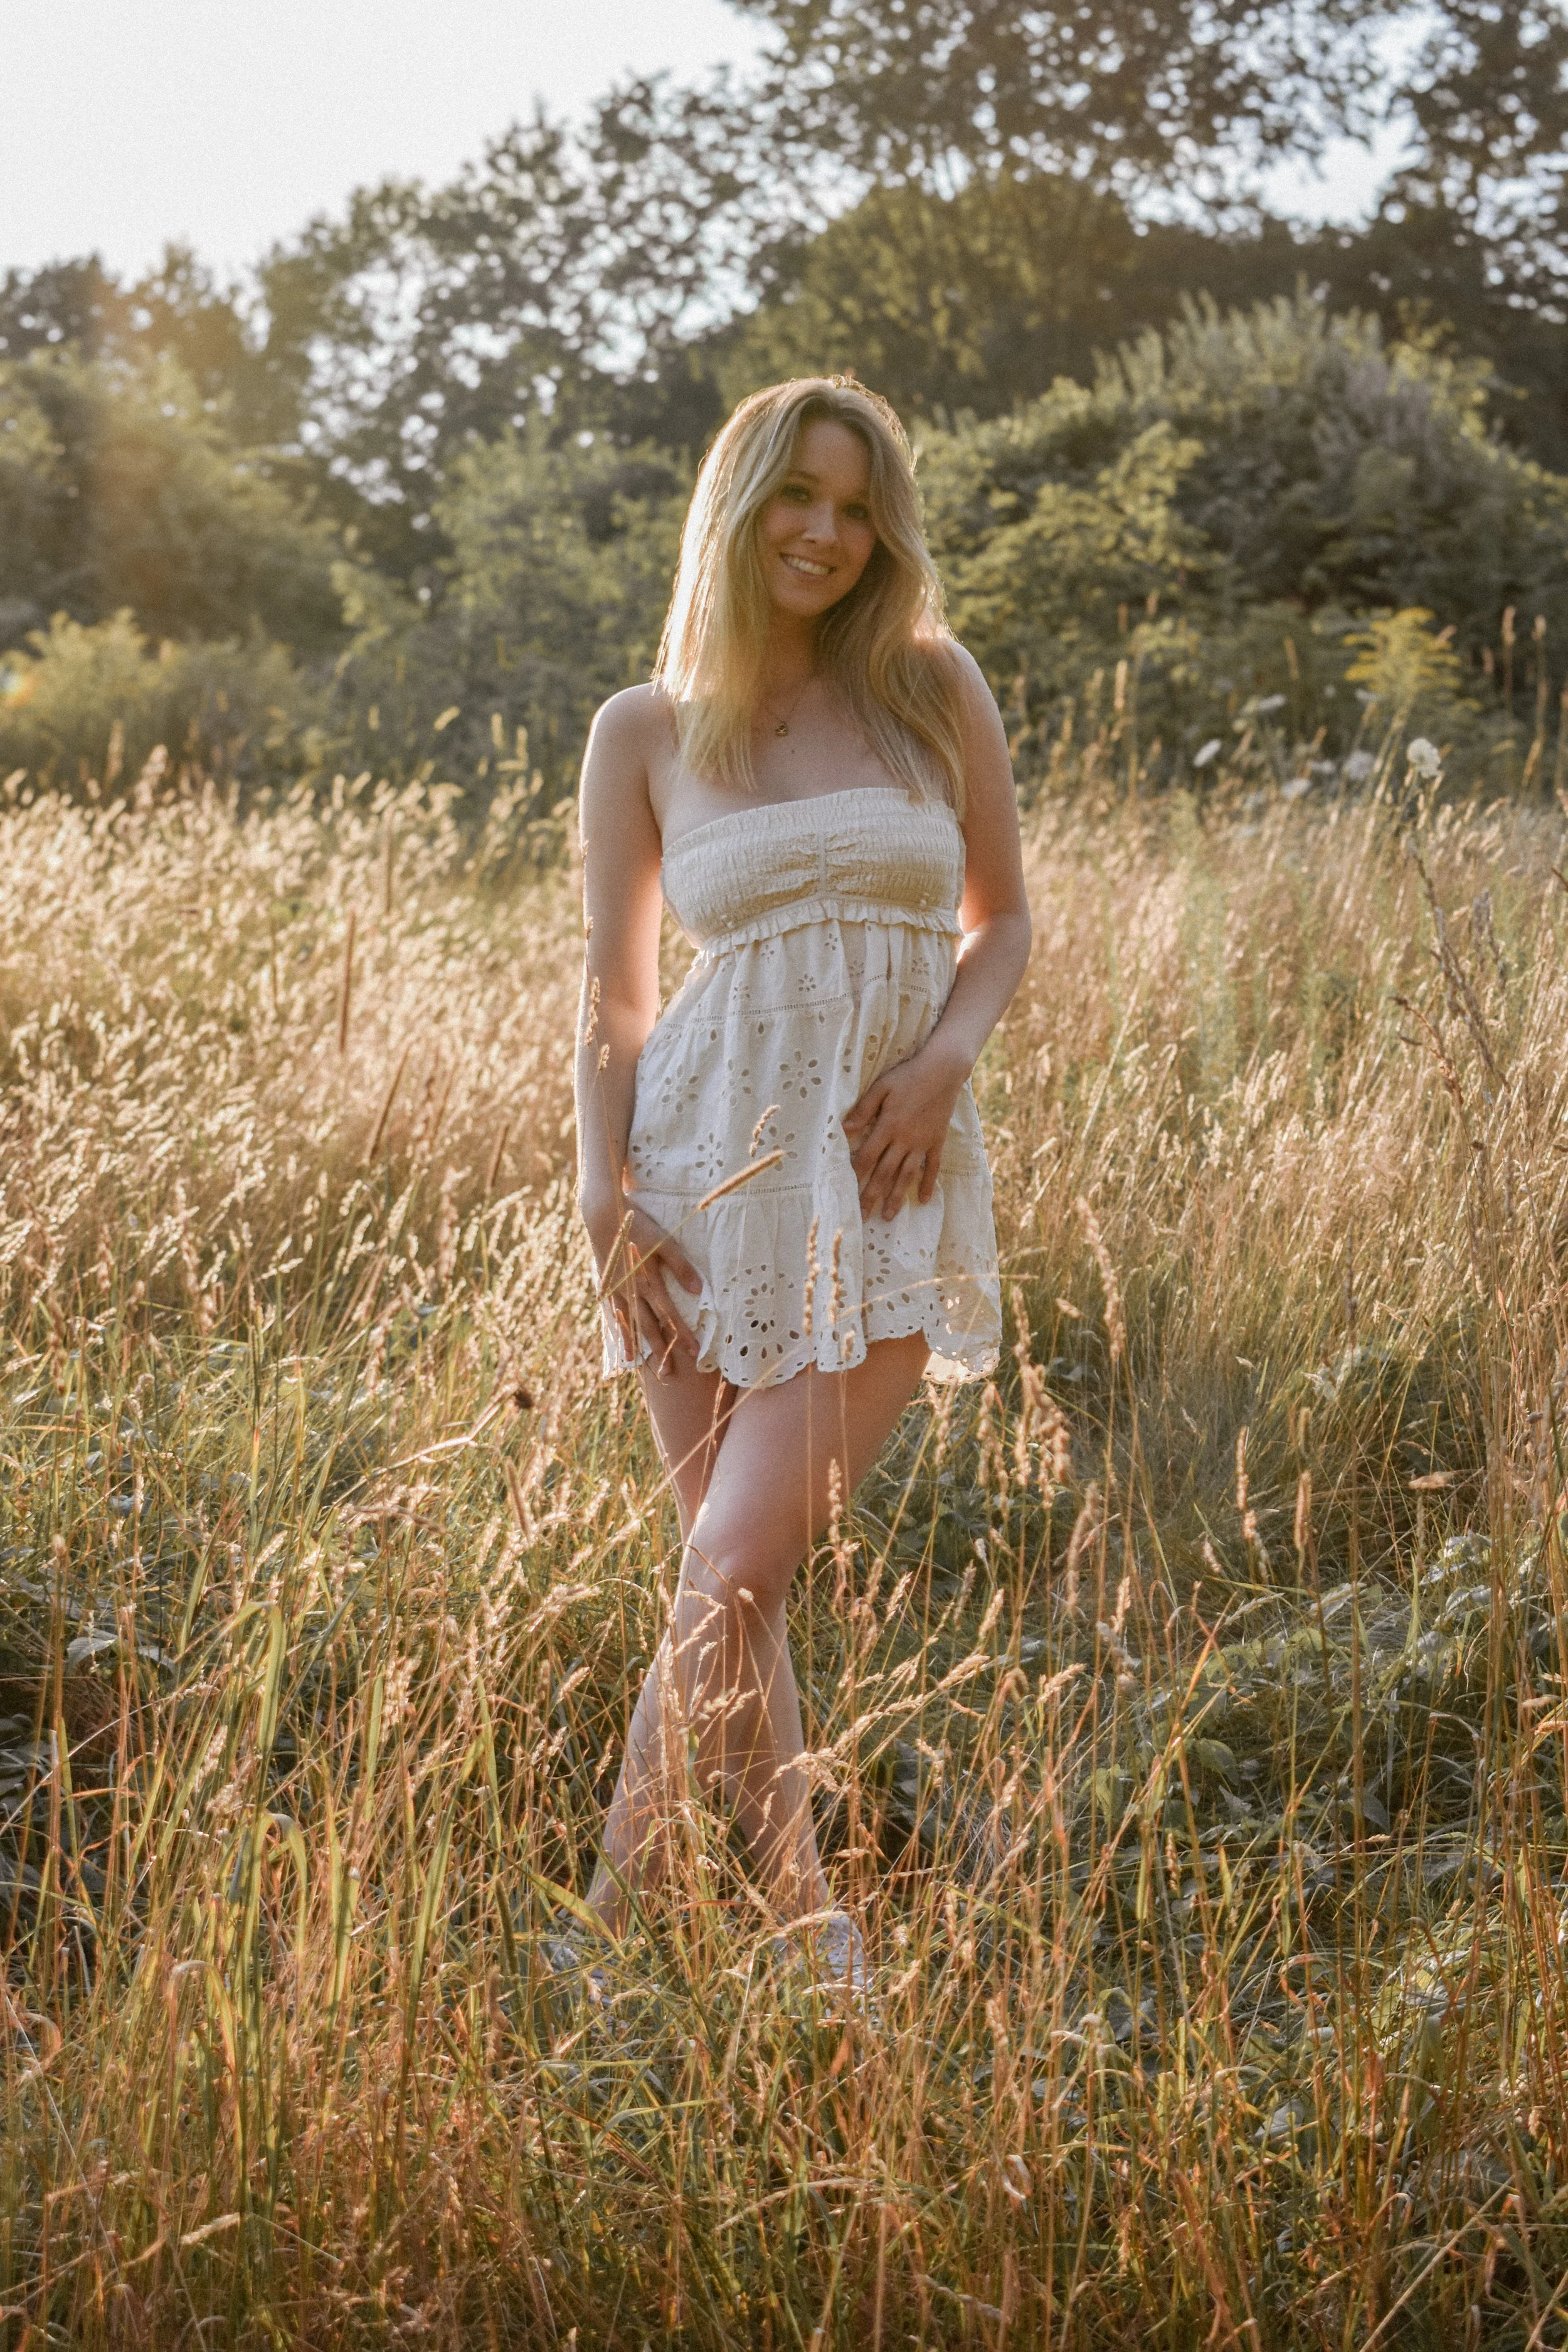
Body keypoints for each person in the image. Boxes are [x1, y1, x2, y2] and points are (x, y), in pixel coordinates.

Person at [571, 376, 1030, 1991]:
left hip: (884, 1176)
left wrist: (947, 1058)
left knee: (732, 1562)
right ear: (741, 500)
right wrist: (598, 1191)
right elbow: (618, 999)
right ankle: (808, 1932)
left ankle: (607, 1938)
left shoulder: (926, 684)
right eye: (798, 497)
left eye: (856, 507)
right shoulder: (644, 729)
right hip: (694, 1183)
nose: (826, 533)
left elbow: (1004, 921)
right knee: (732, 1578)